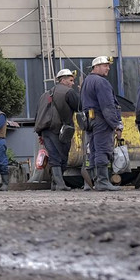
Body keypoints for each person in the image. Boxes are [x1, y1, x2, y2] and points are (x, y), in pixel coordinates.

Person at [35, 68, 81, 190]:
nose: (73, 83)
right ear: (64, 80)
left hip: (45, 130)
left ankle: (56, 184)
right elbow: (79, 107)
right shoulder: (68, 92)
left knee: (54, 156)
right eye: (71, 80)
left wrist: (40, 134)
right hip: (60, 130)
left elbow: (38, 114)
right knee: (62, 156)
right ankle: (60, 184)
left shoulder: (44, 95)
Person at [80, 55, 121, 191]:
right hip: (101, 120)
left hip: (89, 120)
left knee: (93, 150)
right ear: (96, 67)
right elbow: (108, 106)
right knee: (103, 149)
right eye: (105, 65)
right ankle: (103, 181)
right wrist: (116, 124)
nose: (108, 68)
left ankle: (89, 183)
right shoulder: (101, 82)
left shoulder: (87, 81)